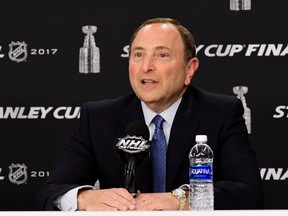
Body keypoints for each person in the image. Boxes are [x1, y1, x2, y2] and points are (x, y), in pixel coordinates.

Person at [35, 17, 263, 211]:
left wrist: (180, 200)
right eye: (138, 55)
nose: (146, 67)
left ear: (189, 69)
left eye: (161, 55)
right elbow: (50, 193)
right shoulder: (99, 118)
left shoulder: (220, 113)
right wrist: (86, 197)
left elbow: (249, 193)